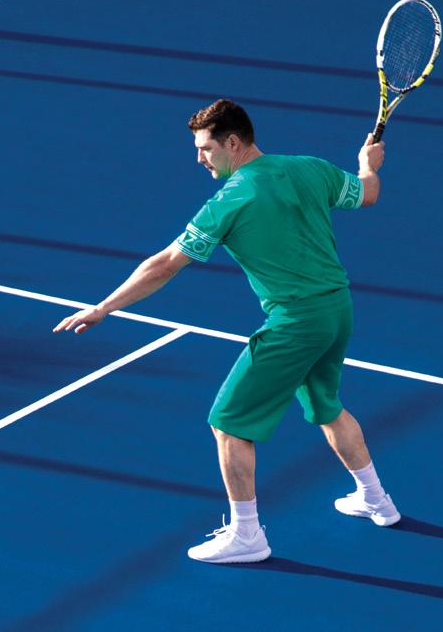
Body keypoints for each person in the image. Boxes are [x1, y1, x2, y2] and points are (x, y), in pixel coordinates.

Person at [53, 99, 399, 564]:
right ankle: (376, 500)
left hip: (295, 323)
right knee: (326, 405)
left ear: (233, 143)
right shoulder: (310, 167)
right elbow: (368, 193)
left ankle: (247, 535)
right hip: (337, 311)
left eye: (206, 148)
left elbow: (165, 264)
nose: (200, 158)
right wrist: (367, 164)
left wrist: (104, 307)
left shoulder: (231, 199)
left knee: (229, 423)